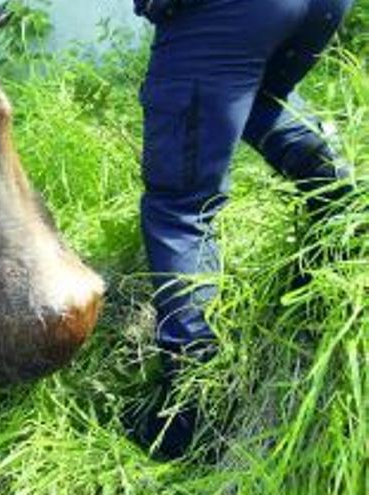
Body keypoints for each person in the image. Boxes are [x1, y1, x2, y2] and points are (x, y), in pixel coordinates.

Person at [128, 0, 356, 459]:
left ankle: (194, 412)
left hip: (224, 11)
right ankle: (348, 249)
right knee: (256, 99)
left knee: (179, 207)